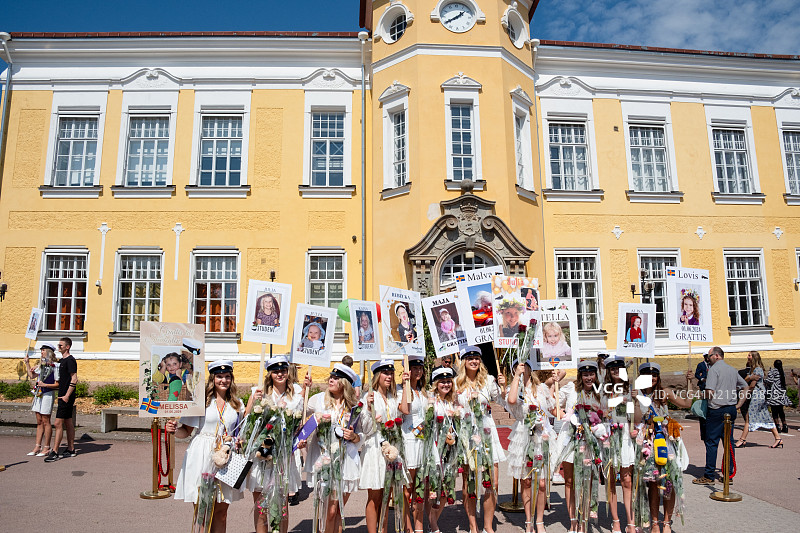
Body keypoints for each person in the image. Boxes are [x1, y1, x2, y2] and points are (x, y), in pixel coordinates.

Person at [166, 360, 244, 533]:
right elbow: (186, 431)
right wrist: (173, 430)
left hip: (226, 456)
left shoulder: (237, 404)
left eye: (227, 376)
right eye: (219, 377)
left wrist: (238, 441)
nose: (223, 380)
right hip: (201, 453)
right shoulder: (201, 401)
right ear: (213, 379)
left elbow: (240, 433)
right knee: (202, 509)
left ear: (231, 379)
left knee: (222, 512)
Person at [298, 363, 362, 533]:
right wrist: (304, 389)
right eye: (331, 377)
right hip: (323, 459)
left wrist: (354, 437)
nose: (331, 380)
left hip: (346, 460)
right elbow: (300, 410)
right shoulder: (318, 399)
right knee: (329, 511)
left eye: (335, 378)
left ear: (345, 383)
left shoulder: (354, 406)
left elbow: (362, 434)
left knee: (338, 510)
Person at [247, 356, 305, 533]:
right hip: (262, 454)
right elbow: (247, 421)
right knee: (261, 506)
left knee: (281, 507)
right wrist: (254, 401)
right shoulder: (260, 393)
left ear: (288, 372)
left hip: (284, 455)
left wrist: (300, 439)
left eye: (283, 370)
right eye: (275, 371)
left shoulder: (296, 396)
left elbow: (299, 427)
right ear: (269, 374)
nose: (280, 374)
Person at [634, 363, 694, 533]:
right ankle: (654, 522)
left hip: (666, 440)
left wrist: (689, 383)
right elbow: (637, 420)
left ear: (658, 377)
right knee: (653, 483)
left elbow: (686, 403)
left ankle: (666, 522)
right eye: (647, 375)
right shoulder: (636, 394)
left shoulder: (665, 392)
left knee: (670, 481)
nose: (651, 379)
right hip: (647, 441)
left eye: (654, 376)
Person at [456, 345, 507, 533]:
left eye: (477, 358)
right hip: (467, 433)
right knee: (469, 481)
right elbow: (450, 407)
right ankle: (473, 525)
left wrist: (503, 387)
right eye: (470, 358)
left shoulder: (489, 380)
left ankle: (488, 526)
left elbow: (501, 400)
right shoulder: (456, 383)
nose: (474, 361)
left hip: (487, 430)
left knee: (492, 482)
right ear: (464, 361)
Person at [554, 360, 605, 533]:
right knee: (569, 481)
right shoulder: (571, 388)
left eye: (591, 374)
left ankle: (584, 521)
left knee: (587, 482)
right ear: (580, 376)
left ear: (595, 376)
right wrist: (563, 414)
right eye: (585, 374)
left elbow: (607, 413)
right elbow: (553, 405)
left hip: (590, 442)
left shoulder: (600, 392)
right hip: (570, 438)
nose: (588, 378)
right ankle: (573, 521)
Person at [506, 360, 556, 533]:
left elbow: (554, 410)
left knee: (541, 483)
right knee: (526, 480)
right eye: (517, 366)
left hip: (541, 436)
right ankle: (529, 520)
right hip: (523, 436)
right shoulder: (514, 389)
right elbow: (512, 401)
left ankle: (540, 521)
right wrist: (517, 377)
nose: (522, 368)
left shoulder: (541, 388)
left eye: (525, 365)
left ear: (530, 367)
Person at [361, 359, 408, 533]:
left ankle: (384, 530)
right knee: (375, 495)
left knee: (388, 495)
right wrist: (367, 408)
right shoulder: (368, 397)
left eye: (391, 373)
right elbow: (364, 428)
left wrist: (406, 383)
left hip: (392, 449)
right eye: (385, 373)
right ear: (377, 376)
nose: (389, 376)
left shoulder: (392, 397)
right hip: (375, 449)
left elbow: (405, 412)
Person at [693, 346, 747, 485]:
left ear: (716, 356)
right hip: (731, 409)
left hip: (716, 410)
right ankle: (728, 474)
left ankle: (709, 475)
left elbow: (710, 392)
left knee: (712, 442)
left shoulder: (714, 370)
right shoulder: (732, 369)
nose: (707, 359)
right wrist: (739, 404)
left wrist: (699, 396)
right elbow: (745, 386)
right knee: (728, 442)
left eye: (709, 356)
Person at [601, 356, 636, 533]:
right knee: (610, 481)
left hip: (625, 436)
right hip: (608, 435)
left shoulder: (631, 390)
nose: (616, 371)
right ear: (608, 371)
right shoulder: (603, 389)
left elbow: (634, 416)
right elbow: (601, 410)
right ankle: (615, 520)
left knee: (627, 480)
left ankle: (630, 521)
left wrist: (635, 402)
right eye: (612, 368)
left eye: (619, 368)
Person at [425, 367, 460, 533]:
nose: (446, 384)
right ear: (436, 384)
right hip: (434, 449)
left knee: (446, 490)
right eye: (442, 382)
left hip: (449, 450)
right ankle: (433, 526)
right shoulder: (431, 401)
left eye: (448, 381)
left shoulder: (450, 402)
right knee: (433, 490)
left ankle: (433, 522)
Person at [399, 354, 429, 533]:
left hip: (423, 441)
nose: (417, 371)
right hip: (409, 439)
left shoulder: (423, 391)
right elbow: (405, 409)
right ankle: (407, 526)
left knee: (420, 486)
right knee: (408, 487)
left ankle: (418, 526)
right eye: (414, 368)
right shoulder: (402, 389)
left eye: (420, 368)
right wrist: (404, 385)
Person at [735, 351, 783, 449]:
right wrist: (749, 378)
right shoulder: (755, 369)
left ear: (753, 357)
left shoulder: (757, 369)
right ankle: (778, 438)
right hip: (759, 395)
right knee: (766, 416)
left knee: (749, 416)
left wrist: (744, 393)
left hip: (757, 395)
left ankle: (742, 440)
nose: (747, 356)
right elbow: (748, 381)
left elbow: (752, 385)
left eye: (749, 355)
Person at [45, 337, 78, 462]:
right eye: (58, 345)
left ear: (67, 347)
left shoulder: (70, 360)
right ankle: (71, 449)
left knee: (58, 423)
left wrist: (67, 395)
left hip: (65, 396)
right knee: (68, 423)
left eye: (60, 345)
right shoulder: (62, 361)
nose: (58, 347)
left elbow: (74, 378)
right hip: (62, 395)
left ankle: (54, 451)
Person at [24, 343, 59, 457]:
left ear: (49, 352)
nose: (41, 352)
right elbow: (32, 376)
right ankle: (37, 446)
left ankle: (47, 447)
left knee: (46, 420)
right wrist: (27, 363)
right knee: (39, 421)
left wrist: (45, 384)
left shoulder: (55, 366)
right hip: (38, 394)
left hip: (47, 394)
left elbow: (57, 384)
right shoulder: (41, 365)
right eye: (41, 350)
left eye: (43, 350)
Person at [764, 360, 792, 433]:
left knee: (774, 411)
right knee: (781, 410)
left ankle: (777, 426)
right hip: (781, 393)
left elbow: (769, 381)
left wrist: (764, 380)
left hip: (774, 393)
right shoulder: (782, 372)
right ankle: (785, 425)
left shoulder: (772, 372)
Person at [694, 353, 710, 441]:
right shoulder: (701, 364)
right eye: (707, 356)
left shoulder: (712, 364)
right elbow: (696, 374)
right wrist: (701, 378)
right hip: (703, 385)